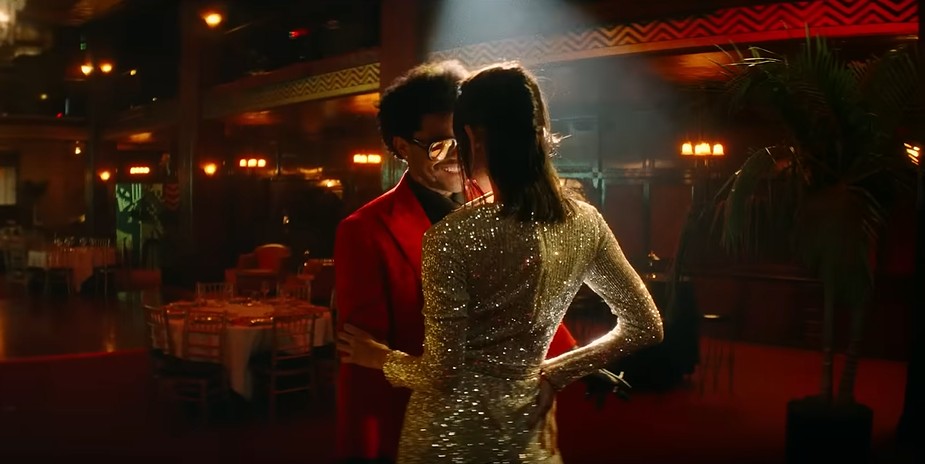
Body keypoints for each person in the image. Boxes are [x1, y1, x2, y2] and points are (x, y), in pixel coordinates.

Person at [337, 62, 664, 463]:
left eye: (458, 140)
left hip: (506, 420)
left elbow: (528, 303)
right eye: (439, 145)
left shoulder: (471, 224)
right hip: (426, 417)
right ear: (402, 147)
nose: (454, 155)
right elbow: (358, 357)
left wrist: (564, 368)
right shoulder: (364, 230)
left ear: (475, 137)